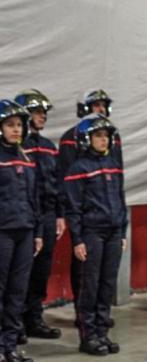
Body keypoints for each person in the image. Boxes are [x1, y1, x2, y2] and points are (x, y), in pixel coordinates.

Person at [63, 114, 127, 355]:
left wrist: (122, 231)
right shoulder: (78, 169)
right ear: (86, 139)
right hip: (92, 234)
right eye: (99, 136)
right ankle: (88, 335)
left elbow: (120, 199)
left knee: (107, 285)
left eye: (106, 136)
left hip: (113, 233)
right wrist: (77, 239)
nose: (104, 141)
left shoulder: (113, 164)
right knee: (90, 285)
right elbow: (74, 208)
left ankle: (102, 332)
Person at [57, 89, 121, 327]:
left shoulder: (113, 139)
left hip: (109, 218)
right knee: (86, 274)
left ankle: (99, 318)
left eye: (104, 105)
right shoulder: (70, 138)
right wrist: (67, 216)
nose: (101, 109)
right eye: (95, 105)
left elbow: (117, 176)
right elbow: (66, 178)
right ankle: (83, 316)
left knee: (105, 277)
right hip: (87, 219)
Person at [13, 89, 63, 341]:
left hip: (47, 215)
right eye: (37, 112)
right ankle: (15, 323)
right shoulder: (17, 149)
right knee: (20, 272)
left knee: (41, 271)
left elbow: (58, 182)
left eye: (44, 112)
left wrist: (59, 215)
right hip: (23, 216)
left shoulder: (48, 147)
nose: (42, 116)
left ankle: (34, 318)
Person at [0, 100, 43, 362]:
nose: (16, 130)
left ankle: (10, 345)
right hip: (2, 233)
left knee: (18, 290)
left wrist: (37, 231)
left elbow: (33, 197)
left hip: (25, 232)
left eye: (19, 125)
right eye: (9, 125)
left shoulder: (26, 158)